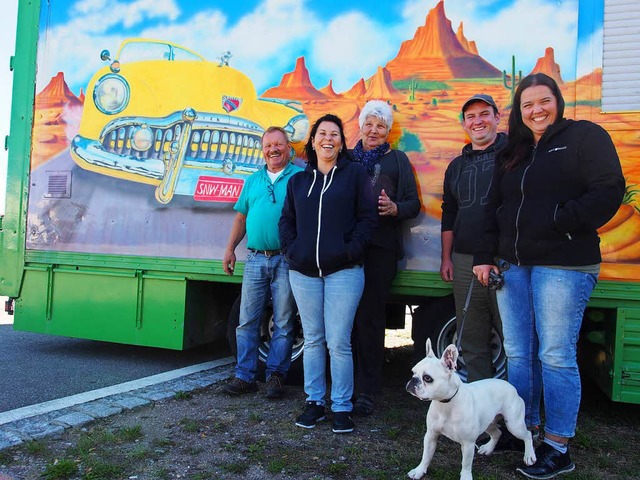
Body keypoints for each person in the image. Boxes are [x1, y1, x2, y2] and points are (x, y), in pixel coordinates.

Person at [473, 73, 624, 479]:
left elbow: (609, 188)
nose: (537, 110)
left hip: (564, 262)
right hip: (513, 265)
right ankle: (525, 430)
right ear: (519, 112)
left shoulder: (583, 137)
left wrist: (562, 220)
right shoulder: (513, 151)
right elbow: (494, 207)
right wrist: (485, 255)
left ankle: (557, 446)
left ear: (557, 101)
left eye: (544, 101)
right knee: (519, 353)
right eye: (527, 105)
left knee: (554, 355)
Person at [279, 114, 377, 433]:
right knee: (314, 339)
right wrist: (292, 250)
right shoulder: (298, 181)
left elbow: (368, 219)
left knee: (338, 341)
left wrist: (351, 251)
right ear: (313, 140)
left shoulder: (356, 176)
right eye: (322, 133)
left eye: (335, 134)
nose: (328, 138)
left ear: (341, 142)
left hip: (344, 271)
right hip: (303, 272)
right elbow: (287, 222)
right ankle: (315, 402)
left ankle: (342, 406)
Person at [349, 100, 420, 416]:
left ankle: (367, 390)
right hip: (347, 250)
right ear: (360, 126)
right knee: (344, 318)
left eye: (380, 125)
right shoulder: (346, 159)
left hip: (380, 250)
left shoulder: (398, 160)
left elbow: (413, 204)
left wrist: (395, 209)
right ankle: (342, 386)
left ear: (388, 130)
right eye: (369, 123)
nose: (373, 130)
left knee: (371, 318)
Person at [221, 126, 302, 399]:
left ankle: (276, 376)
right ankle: (245, 376)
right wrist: (230, 249)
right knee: (247, 321)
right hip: (255, 258)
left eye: (279, 144)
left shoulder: (299, 177)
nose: (273, 150)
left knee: (284, 320)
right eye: (268, 145)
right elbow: (241, 218)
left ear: (289, 148)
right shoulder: (253, 180)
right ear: (263, 149)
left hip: (286, 258)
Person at [440, 94, 505, 383]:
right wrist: (446, 257)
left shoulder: (514, 156)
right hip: (465, 260)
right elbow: (449, 213)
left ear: (497, 117)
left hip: (506, 259)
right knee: (473, 338)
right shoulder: (456, 166)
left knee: (515, 340)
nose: (478, 120)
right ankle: (484, 414)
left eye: (484, 114)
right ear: (464, 124)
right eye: (471, 116)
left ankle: (520, 412)